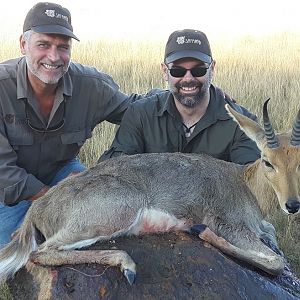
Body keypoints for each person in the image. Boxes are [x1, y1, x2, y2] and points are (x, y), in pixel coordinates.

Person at [0, 2, 147, 248]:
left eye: (63, 47)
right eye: (43, 45)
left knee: (95, 234)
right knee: (18, 249)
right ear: (24, 45)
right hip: (7, 191)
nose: (54, 57)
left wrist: (186, 92)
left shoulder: (90, 85)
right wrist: (54, 198)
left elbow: (137, 110)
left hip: (62, 172)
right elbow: (3, 171)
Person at [99, 29, 260, 164]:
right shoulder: (140, 114)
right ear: (164, 71)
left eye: (198, 70)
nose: (188, 78)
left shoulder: (244, 125)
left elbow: (251, 182)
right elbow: (113, 171)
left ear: (212, 69)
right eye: (177, 71)